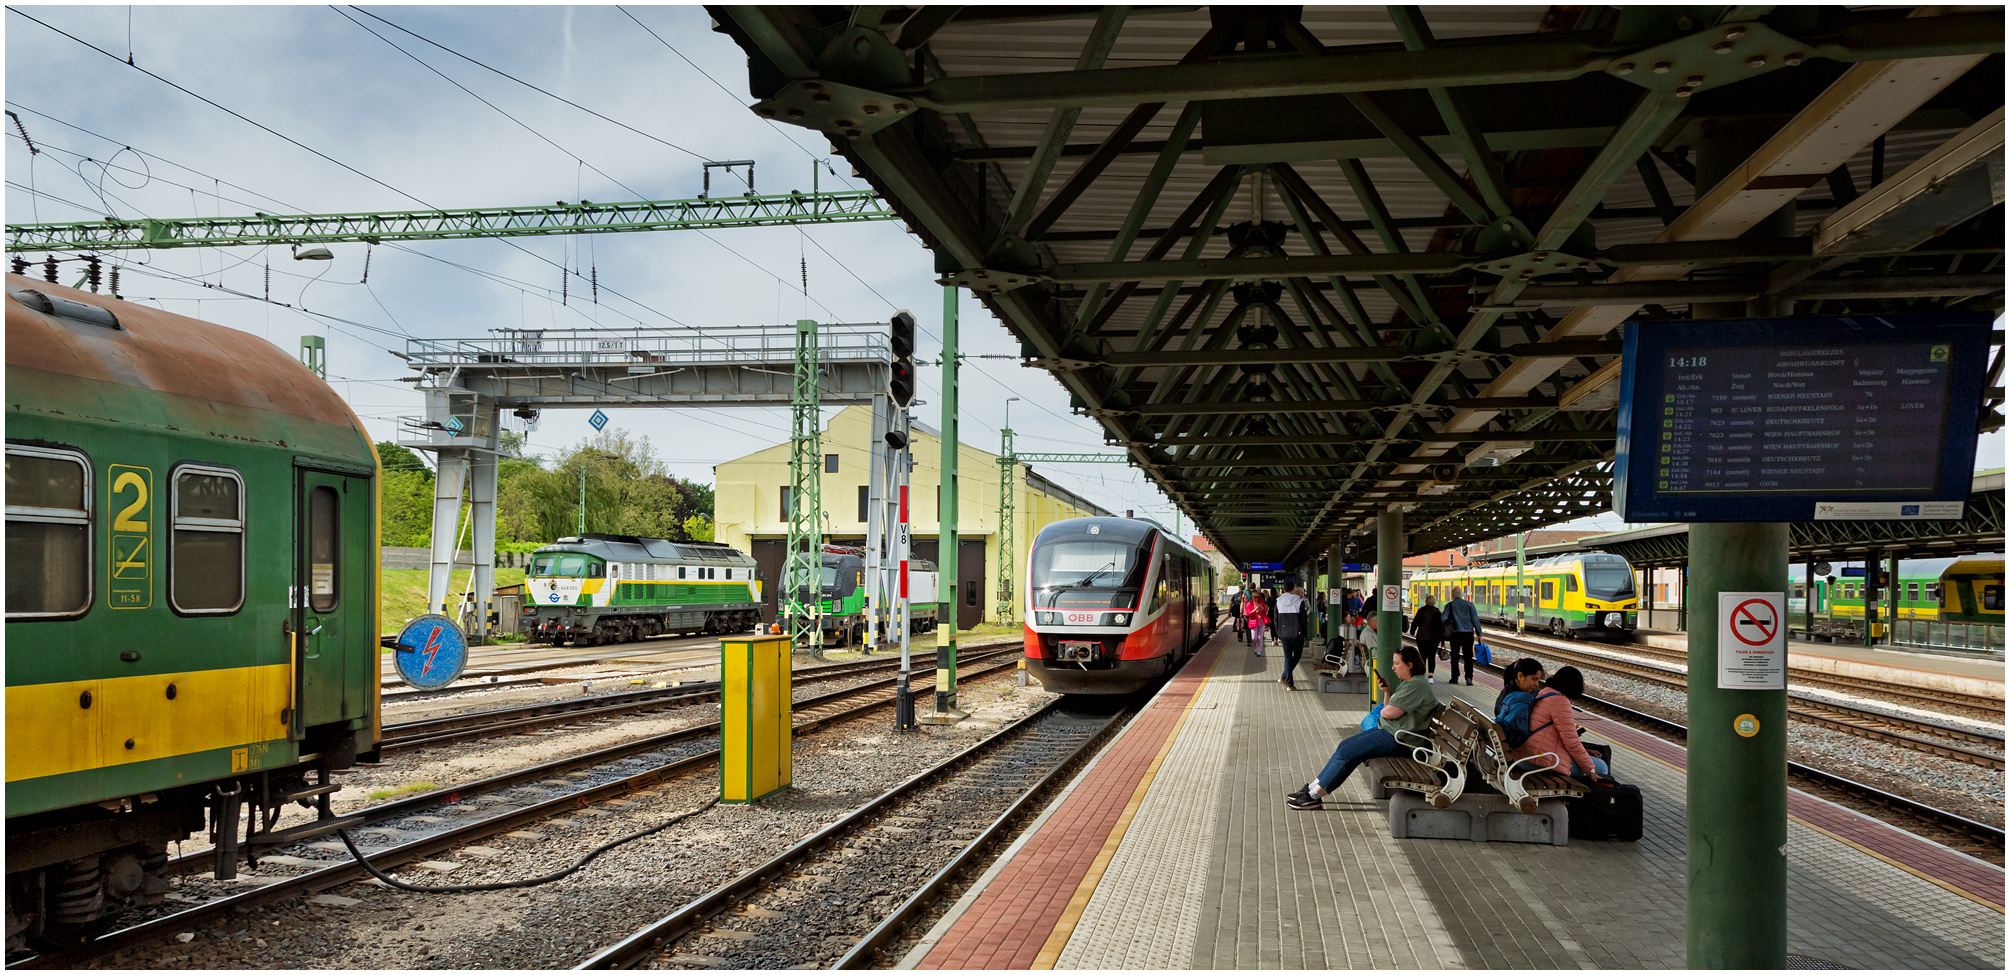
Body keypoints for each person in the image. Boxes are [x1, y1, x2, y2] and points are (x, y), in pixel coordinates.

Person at [1285, 646, 1437, 810]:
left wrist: (1386, 710)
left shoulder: (1416, 685)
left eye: (1397, 664)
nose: (1393, 667)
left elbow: (1389, 712)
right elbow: (1389, 709)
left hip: (1401, 740)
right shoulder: (1410, 683)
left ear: (1410, 664)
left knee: (1348, 753)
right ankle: (1312, 788)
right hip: (1391, 733)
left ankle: (1313, 797)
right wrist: (1387, 692)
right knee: (1344, 747)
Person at [1508, 666, 1611, 783]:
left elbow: (1549, 735)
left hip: (1525, 755)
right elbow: (1571, 743)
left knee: (1592, 760)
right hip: (1538, 762)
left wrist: (1585, 751)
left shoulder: (1545, 693)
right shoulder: (1560, 702)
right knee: (1601, 766)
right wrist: (1591, 771)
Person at [1274, 579, 1310, 691]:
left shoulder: (1278, 601)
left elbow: (1276, 619)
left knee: (1287, 657)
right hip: (1297, 634)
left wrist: (1278, 632)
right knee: (1297, 656)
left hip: (1284, 634)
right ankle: (1286, 680)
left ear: (1284, 590)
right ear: (1294, 589)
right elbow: (1304, 620)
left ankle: (1287, 681)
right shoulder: (1299, 601)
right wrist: (1305, 633)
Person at [1443, 586, 1480, 686]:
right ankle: (1469, 678)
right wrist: (1479, 634)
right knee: (1468, 656)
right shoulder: (1469, 605)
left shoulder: (1449, 606)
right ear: (1462, 595)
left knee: (1455, 656)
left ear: (1453, 595)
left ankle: (1454, 677)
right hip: (1468, 634)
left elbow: (1443, 619)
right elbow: (1475, 620)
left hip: (1455, 634)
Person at [1409, 593, 1445, 682]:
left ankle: (1422, 675)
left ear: (1426, 601)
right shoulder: (1437, 612)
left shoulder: (1421, 610)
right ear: (1434, 602)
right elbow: (1441, 626)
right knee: (1432, 656)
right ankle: (1431, 677)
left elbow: (1415, 622)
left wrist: (1412, 631)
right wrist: (1442, 639)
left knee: (1422, 656)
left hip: (1422, 637)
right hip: (1434, 638)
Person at [1245, 590, 1271, 657]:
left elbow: (1265, 611)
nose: (1256, 598)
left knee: (1259, 637)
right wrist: (1255, 609)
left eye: (1258, 597)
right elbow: (1248, 614)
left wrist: (1262, 608)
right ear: (1252, 597)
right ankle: (1255, 647)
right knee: (1254, 638)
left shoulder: (1261, 602)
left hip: (1261, 621)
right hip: (1253, 622)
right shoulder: (1249, 604)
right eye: (1255, 597)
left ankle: (1259, 650)